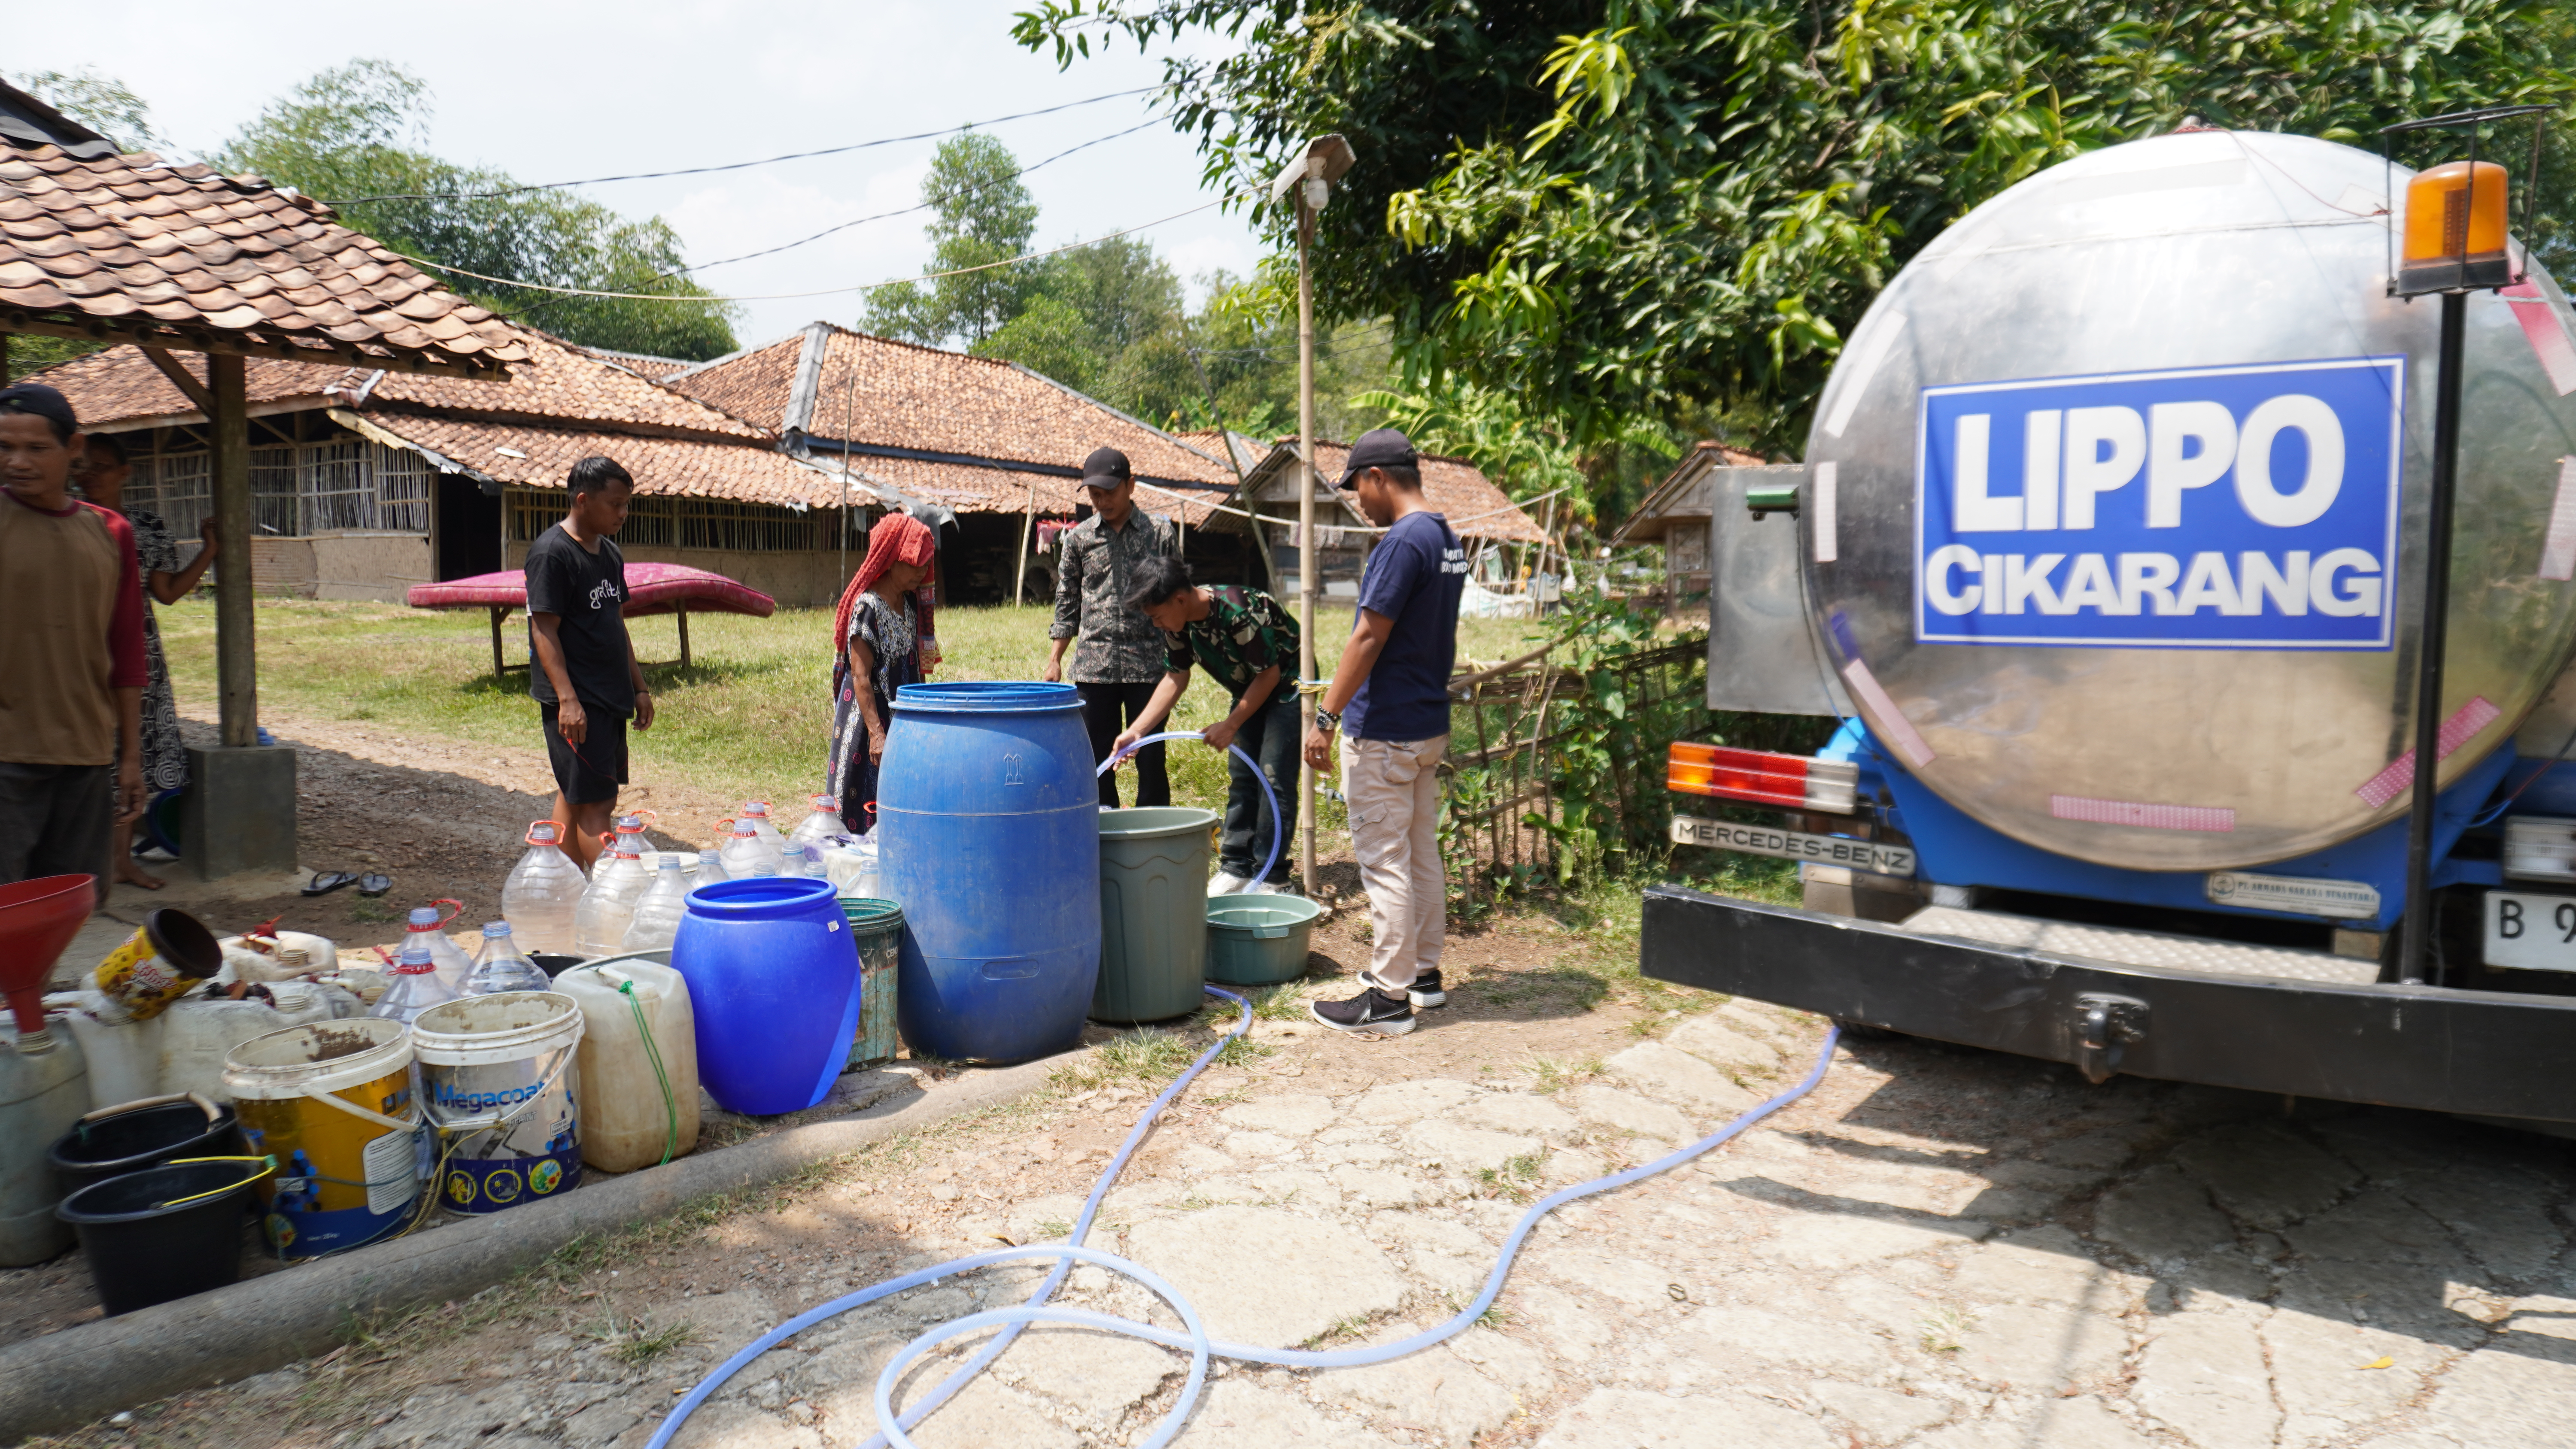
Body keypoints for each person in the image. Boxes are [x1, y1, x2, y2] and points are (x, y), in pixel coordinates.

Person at [1304, 429, 1467, 1035]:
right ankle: (1423, 974)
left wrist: (1326, 717)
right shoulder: (1446, 537)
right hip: (1426, 726)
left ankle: (1388, 997)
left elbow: (1369, 636)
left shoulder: (1403, 542)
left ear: (1379, 476)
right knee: (1420, 852)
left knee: (1385, 860)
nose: (1358, 503)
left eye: (1358, 489)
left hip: (1386, 729)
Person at [0, 383, 147, 890]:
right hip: (6, 756)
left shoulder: (110, 534)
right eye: (4, 448)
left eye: (36, 448)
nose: (18, 462)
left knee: (65, 910)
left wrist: (130, 757)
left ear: (74, 449)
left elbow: (127, 651)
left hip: (84, 756)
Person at [70, 432, 218, 890]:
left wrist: (210, 550)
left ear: (123, 473)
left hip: (137, 649)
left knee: (126, 753)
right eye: (82, 467)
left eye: (100, 466)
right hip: (78, 647)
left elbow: (168, 593)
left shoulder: (147, 527)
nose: (89, 474)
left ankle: (119, 863)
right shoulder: (68, 520)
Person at [1110, 556, 1303, 895]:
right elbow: (1175, 677)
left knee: (1273, 777)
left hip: (1288, 686)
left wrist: (1231, 724)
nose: (1156, 625)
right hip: (1251, 689)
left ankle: (1273, 876)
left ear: (1180, 600)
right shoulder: (1178, 625)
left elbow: (1270, 674)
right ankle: (1237, 867)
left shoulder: (1236, 611)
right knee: (1244, 775)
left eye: (1156, 616)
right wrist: (1137, 730)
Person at [526, 457, 653, 873]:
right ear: (582, 500)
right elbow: (543, 632)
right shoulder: (553, 555)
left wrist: (639, 687)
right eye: (615, 504)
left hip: (610, 695)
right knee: (598, 805)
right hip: (579, 701)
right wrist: (567, 699)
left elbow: (616, 624)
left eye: (627, 505)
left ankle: (562, 890)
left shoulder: (609, 553)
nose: (623, 513)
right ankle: (617, 892)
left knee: (576, 795)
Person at [1044, 446, 1179, 808]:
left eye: (1109, 493)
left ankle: (1154, 830)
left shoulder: (1160, 534)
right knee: (1096, 758)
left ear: (1131, 486)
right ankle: (1103, 827)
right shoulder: (1079, 539)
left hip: (1148, 665)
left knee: (1151, 755)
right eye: (1094, 495)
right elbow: (1067, 600)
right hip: (1095, 667)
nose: (1102, 501)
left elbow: (1176, 597)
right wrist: (1056, 658)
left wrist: (1182, 652)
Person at [828, 511, 938, 832]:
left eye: (925, 564)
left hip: (900, 725)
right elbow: (862, 678)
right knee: (860, 805)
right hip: (868, 726)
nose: (922, 571)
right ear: (891, 559)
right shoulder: (867, 608)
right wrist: (878, 735)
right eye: (914, 563)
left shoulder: (908, 606)